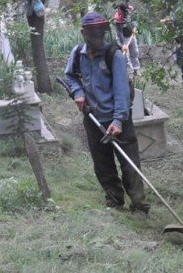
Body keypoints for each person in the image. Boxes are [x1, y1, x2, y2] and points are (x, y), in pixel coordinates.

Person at [63, 11, 149, 215]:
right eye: (93, 33)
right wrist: (77, 93)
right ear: (84, 33)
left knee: (129, 164)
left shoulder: (114, 55)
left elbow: (121, 92)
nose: (98, 37)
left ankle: (139, 204)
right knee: (102, 163)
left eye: (101, 32)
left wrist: (118, 121)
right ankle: (114, 197)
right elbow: (69, 77)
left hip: (119, 118)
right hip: (92, 118)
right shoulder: (78, 54)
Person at [111, 2, 141, 83]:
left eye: (126, 11)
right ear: (120, 10)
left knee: (135, 52)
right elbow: (120, 32)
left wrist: (134, 27)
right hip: (123, 37)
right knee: (126, 55)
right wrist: (123, 44)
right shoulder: (117, 18)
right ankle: (130, 72)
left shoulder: (129, 9)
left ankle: (136, 69)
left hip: (131, 35)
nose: (126, 13)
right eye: (124, 11)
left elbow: (134, 21)